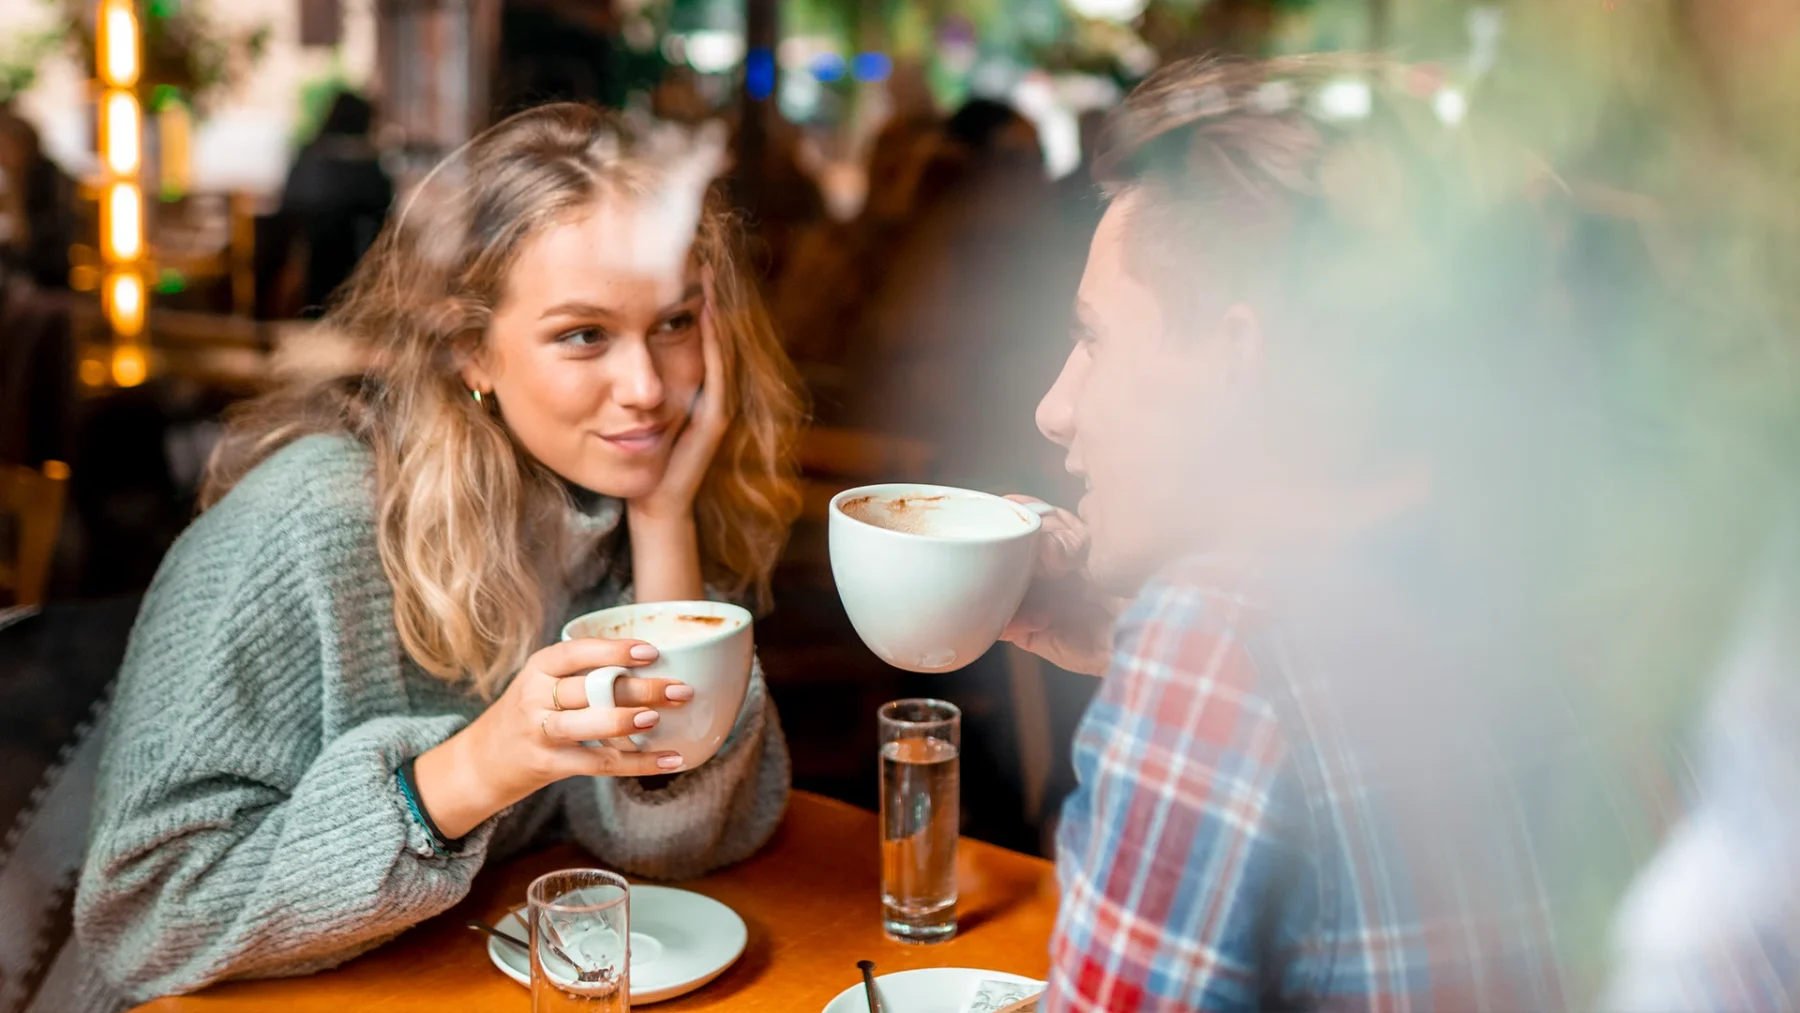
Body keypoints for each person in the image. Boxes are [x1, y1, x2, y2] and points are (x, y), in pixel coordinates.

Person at [1002, 54, 1743, 1010]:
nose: (1053, 408)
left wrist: (1182, 670)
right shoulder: (1585, 572)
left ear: (1237, 360)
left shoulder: (1215, 643)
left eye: (1094, 338)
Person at [75, 103, 802, 1010]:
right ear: (470, 349)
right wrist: (479, 766)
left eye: (675, 322)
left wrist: (663, 521)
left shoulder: (613, 503)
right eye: (584, 334)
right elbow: (141, 923)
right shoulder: (309, 525)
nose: (648, 387)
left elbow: (672, 846)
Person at [278, 91, 394, 315]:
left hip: (311, 261)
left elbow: (289, 205)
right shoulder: (369, 165)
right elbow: (384, 209)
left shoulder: (311, 155)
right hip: (359, 262)